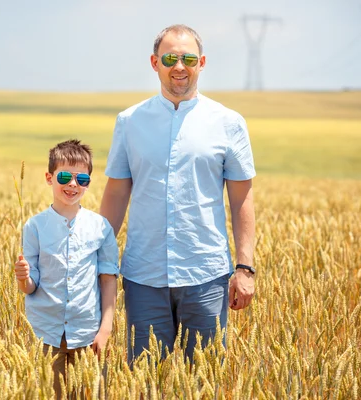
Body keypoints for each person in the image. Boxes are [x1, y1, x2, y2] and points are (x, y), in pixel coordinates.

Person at [100, 24, 256, 363]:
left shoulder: (229, 122)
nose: (179, 66)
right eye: (170, 58)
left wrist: (245, 267)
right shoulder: (129, 121)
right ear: (155, 63)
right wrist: (96, 254)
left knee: (204, 381)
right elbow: (115, 193)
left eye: (187, 58)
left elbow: (241, 198)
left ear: (202, 62)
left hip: (206, 274)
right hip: (144, 276)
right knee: (144, 381)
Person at [14, 139, 119, 396]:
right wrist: (23, 278)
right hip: (46, 333)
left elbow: (108, 279)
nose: (73, 184)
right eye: (64, 176)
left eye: (81, 179)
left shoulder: (100, 227)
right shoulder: (35, 226)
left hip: (88, 332)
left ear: (88, 184)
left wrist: (105, 328)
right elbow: (31, 286)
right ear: (50, 178)